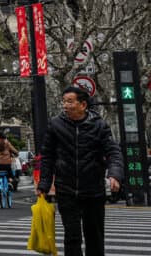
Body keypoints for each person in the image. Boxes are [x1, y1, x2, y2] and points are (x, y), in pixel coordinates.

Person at [37, 86, 123, 256]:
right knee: (72, 237)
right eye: (64, 102)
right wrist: (44, 184)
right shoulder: (55, 125)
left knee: (95, 237)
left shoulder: (99, 126)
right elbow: (47, 157)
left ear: (83, 105)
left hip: (93, 191)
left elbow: (113, 151)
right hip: (66, 191)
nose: (65, 105)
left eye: (69, 101)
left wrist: (115, 174)